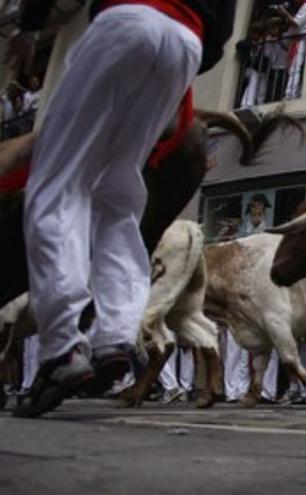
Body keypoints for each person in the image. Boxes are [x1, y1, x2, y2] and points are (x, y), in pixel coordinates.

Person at [9, 0, 235, 418]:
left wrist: (30, 28)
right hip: (187, 44)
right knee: (118, 198)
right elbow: (221, 39)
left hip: (126, 21)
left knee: (57, 185)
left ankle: (61, 347)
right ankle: (114, 333)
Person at [275, 0, 306, 100]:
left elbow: (296, 23)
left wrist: (285, 13)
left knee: (295, 68)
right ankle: (291, 92)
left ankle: (291, 94)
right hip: (296, 40)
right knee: (293, 67)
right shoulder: (302, 7)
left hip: (301, 41)